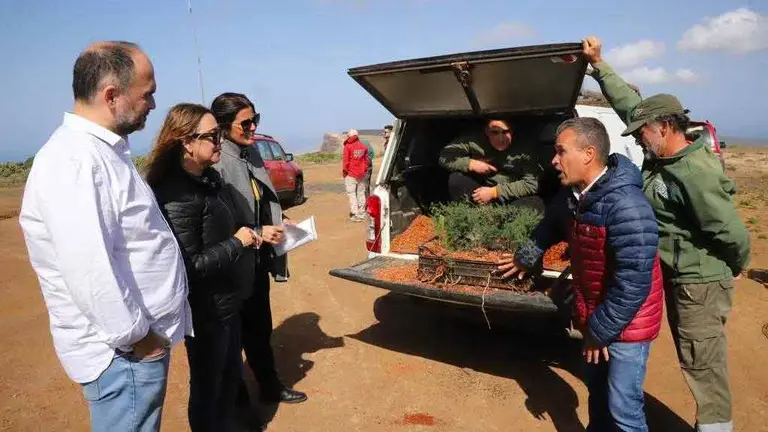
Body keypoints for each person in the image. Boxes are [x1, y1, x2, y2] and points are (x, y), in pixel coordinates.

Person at [19, 41, 190, 432]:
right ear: (111, 95)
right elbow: (89, 270)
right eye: (147, 94)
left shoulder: (103, 151)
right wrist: (138, 339)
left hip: (130, 349)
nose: (152, 104)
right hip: (122, 355)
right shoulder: (76, 160)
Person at [583, 35, 751, 432]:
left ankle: (715, 428)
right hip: (673, 273)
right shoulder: (660, 153)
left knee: (701, 361)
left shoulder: (694, 173)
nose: (638, 137)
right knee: (683, 351)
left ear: (665, 126)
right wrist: (598, 64)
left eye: (643, 131)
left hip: (699, 281)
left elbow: (730, 231)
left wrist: (736, 265)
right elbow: (629, 104)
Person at [498, 118, 664, 431]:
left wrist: (599, 331)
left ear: (588, 154)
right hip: (596, 314)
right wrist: (525, 257)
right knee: (598, 392)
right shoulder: (574, 195)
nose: (554, 160)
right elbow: (549, 225)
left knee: (623, 405)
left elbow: (633, 283)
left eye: (561, 151)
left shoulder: (627, 206)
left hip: (628, 322)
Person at [146, 103, 262, 431]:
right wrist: (237, 243)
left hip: (227, 303)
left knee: (227, 381)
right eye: (212, 136)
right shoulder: (175, 195)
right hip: (206, 312)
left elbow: (223, 230)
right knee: (208, 391)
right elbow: (188, 267)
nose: (220, 142)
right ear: (186, 142)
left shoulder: (209, 179)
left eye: (219, 135)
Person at [210, 92, 307, 431]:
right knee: (232, 340)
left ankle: (269, 386)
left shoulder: (250, 152)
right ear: (223, 127)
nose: (253, 128)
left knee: (259, 329)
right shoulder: (218, 160)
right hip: (231, 264)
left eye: (256, 120)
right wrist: (255, 230)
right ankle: (239, 408)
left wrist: (282, 220)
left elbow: (260, 197)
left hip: (256, 261)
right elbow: (218, 222)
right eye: (246, 123)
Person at [438, 119, 544, 205]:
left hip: (513, 193)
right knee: (456, 179)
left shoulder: (525, 147)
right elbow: (445, 157)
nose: (501, 138)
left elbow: (532, 184)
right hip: (482, 190)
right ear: (486, 132)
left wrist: (495, 192)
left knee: (534, 205)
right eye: (495, 132)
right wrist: (471, 164)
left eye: (505, 132)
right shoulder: (474, 140)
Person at [342, 129, 370, 222]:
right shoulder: (363, 146)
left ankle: (355, 213)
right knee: (361, 193)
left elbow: (346, 161)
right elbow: (366, 161)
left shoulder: (348, 146)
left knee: (352, 194)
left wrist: (345, 172)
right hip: (361, 174)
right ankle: (362, 212)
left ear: (349, 136)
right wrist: (364, 170)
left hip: (351, 174)